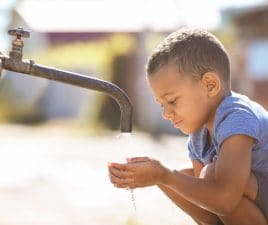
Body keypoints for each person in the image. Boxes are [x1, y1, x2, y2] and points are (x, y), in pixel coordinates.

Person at [107, 28, 268, 225]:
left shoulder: (237, 117)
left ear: (210, 85)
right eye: (161, 105)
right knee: (189, 177)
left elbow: (225, 201)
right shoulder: (198, 137)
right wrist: (157, 179)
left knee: (207, 175)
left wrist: (163, 175)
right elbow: (212, 214)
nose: (166, 114)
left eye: (172, 101)